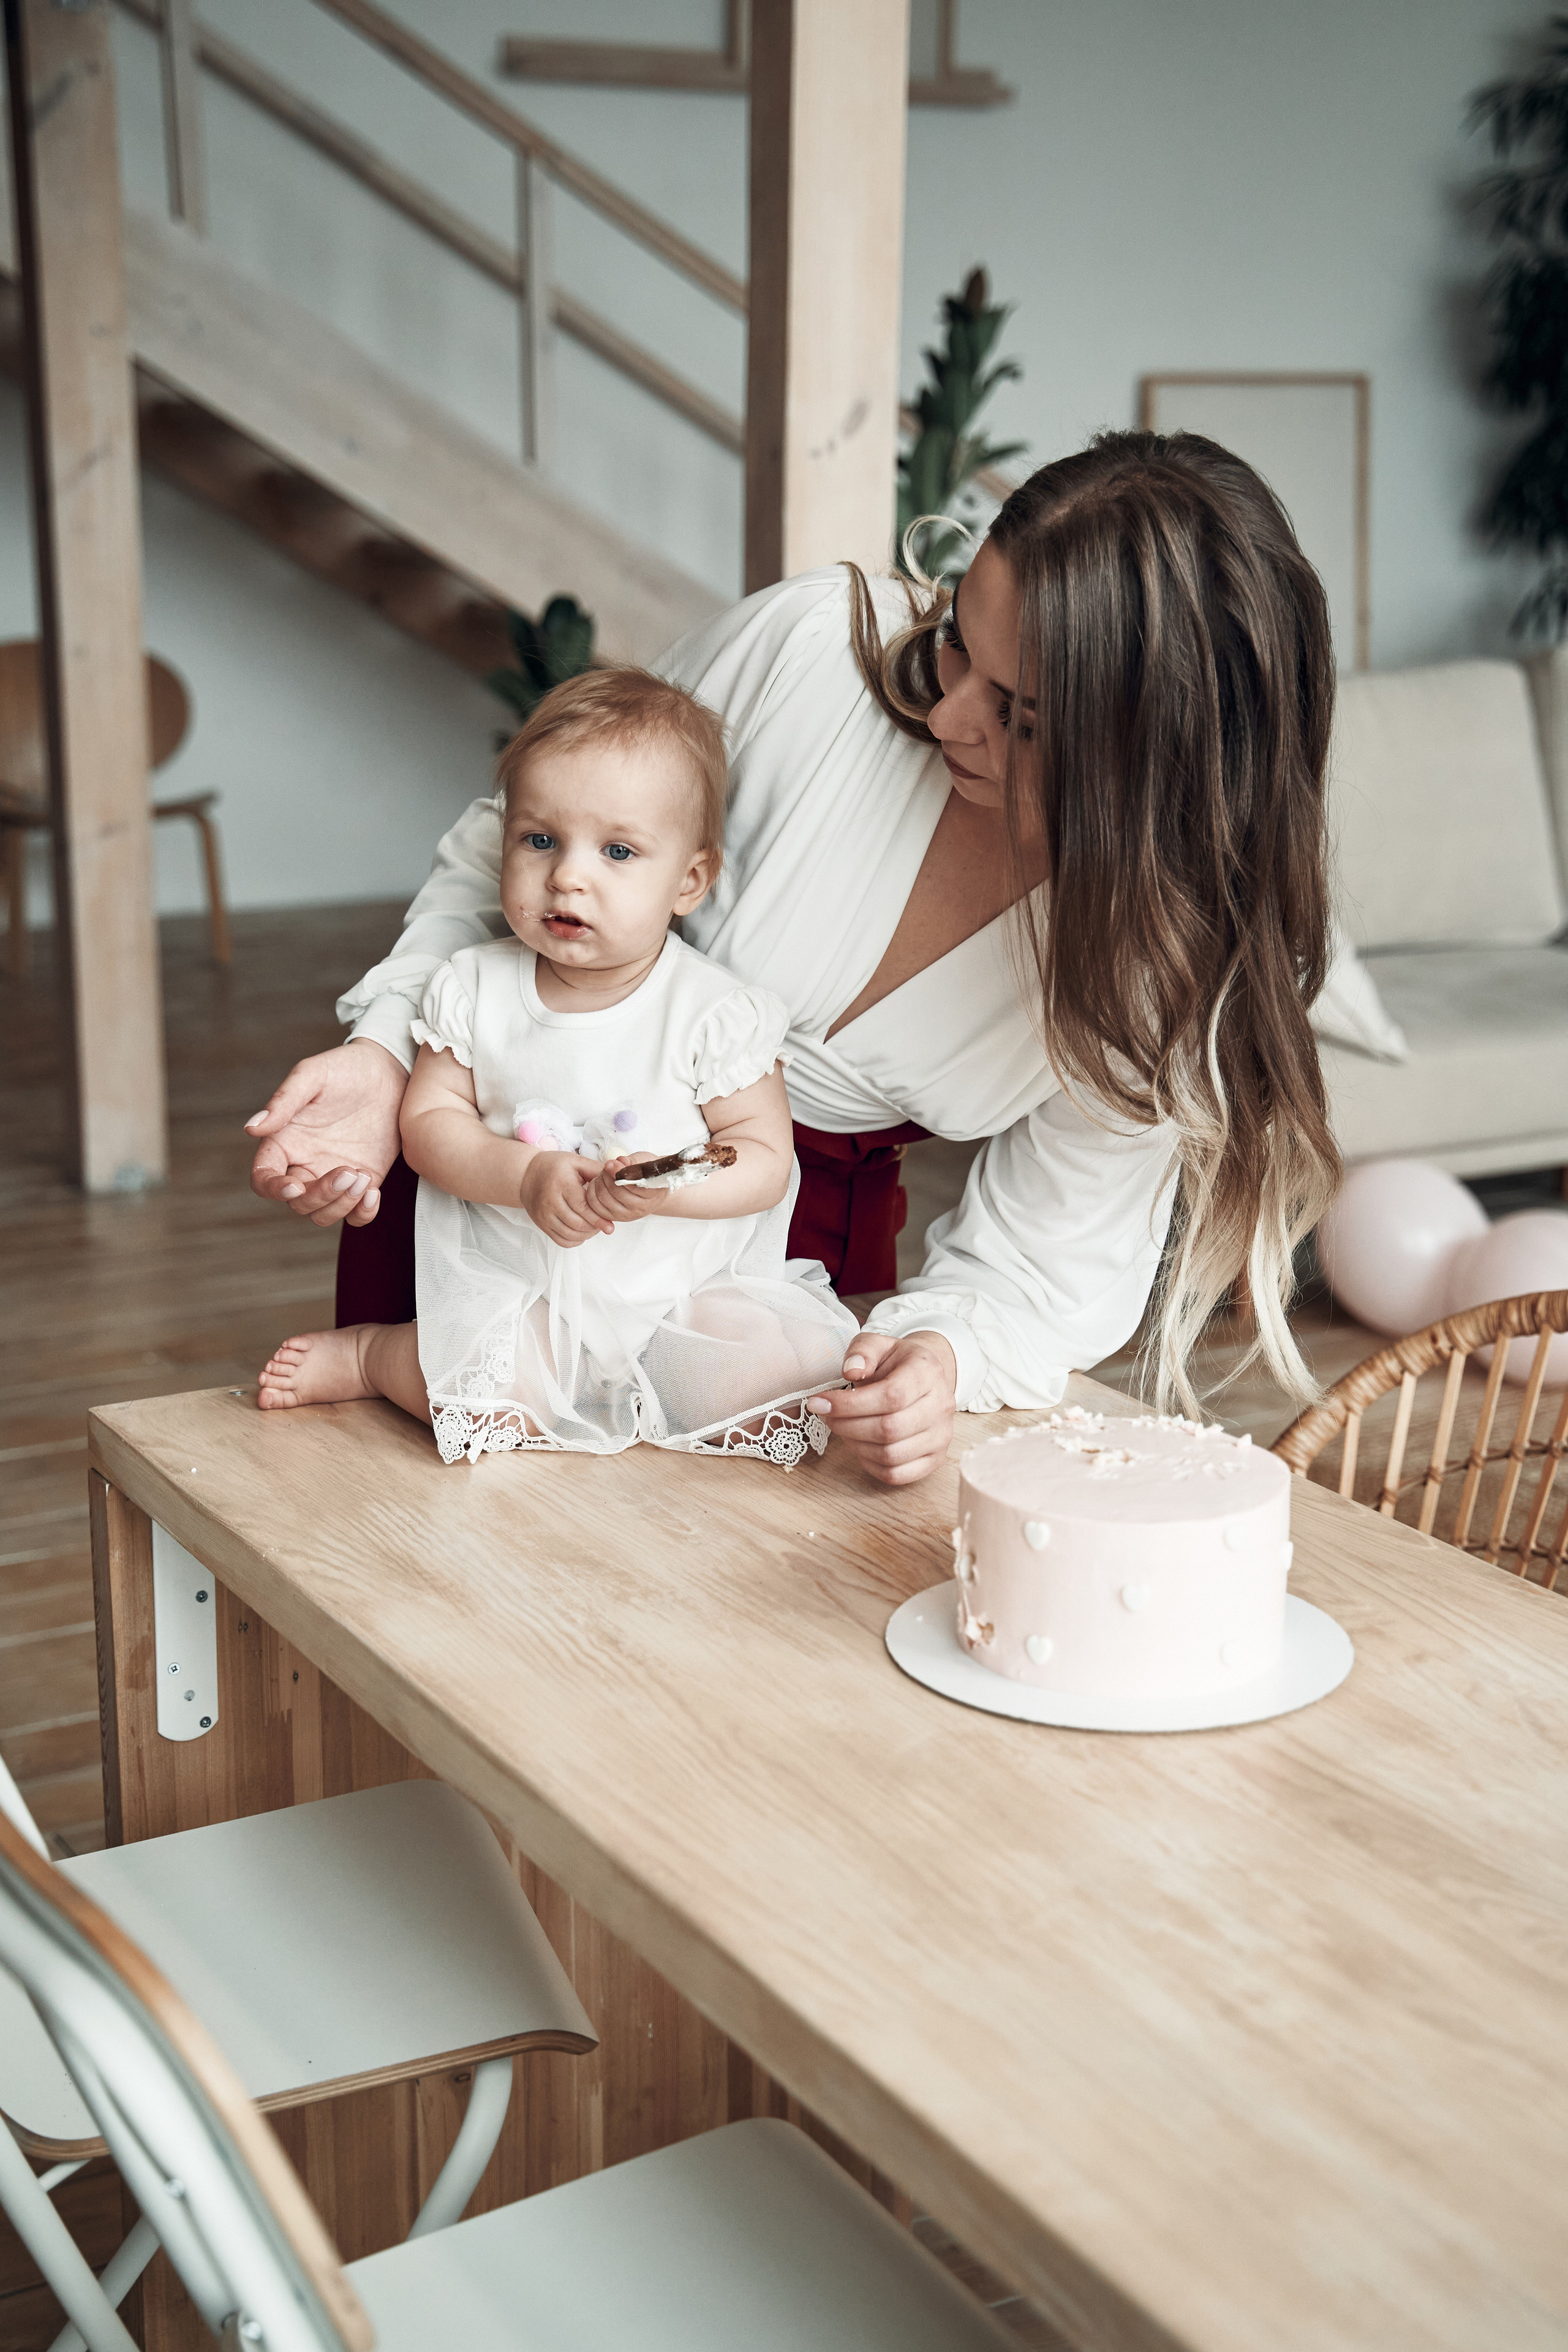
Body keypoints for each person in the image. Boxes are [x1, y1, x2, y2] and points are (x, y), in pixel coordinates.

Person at [247, 430, 1341, 1487]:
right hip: (494, 1184)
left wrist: (941, 1358)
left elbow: (1044, 1263)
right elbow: (529, 829)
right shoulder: (812, 656)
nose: (949, 713)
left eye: (1021, 717)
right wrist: (388, 1052)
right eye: (961, 637)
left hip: (772, 1270)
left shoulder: (1165, 977)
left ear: (1153, 772)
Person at [257, 670, 859, 1466]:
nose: (570, 876)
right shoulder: (474, 987)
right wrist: (526, 1176)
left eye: (617, 851)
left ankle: (648, 1385)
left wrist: (669, 1185)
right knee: (495, 1398)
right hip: (527, 1286)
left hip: (682, 1293)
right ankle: (377, 1357)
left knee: (798, 1379)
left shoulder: (716, 1010)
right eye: (540, 840)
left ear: (690, 879)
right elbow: (431, 1127)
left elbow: (761, 1160)